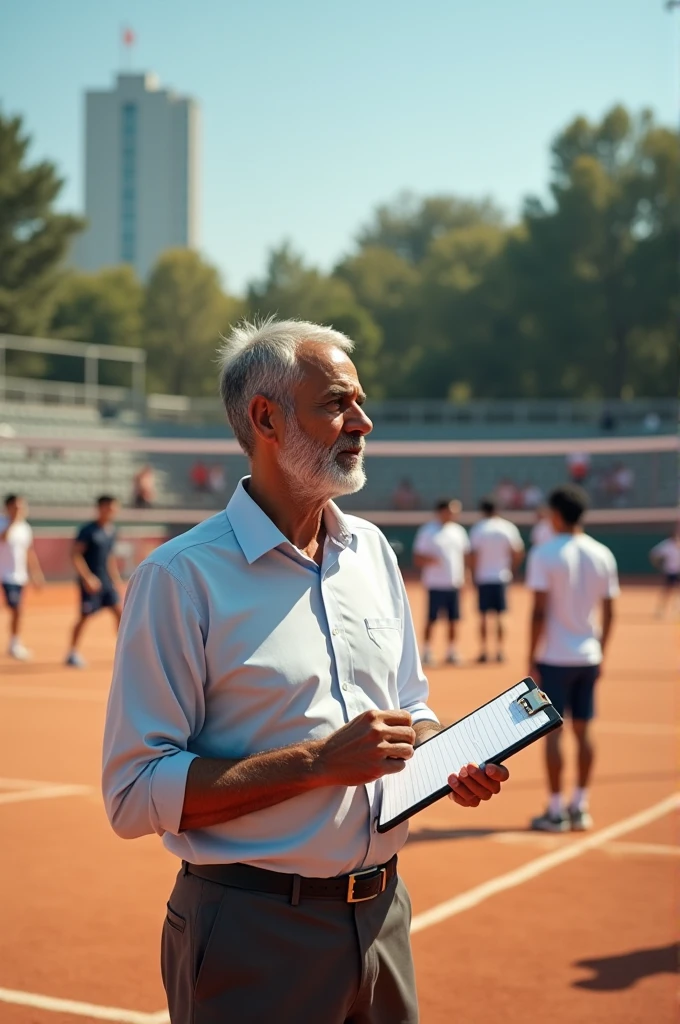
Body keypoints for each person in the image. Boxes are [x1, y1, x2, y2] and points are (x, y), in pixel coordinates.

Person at [102, 318, 509, 1024]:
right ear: (266, 416)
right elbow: (134, 794)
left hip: (383, 916)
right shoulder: (179, 578)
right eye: (337, 404)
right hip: (253, 930)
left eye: (358, 402)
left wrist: (444, 757)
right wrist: (317, 763)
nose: (364, 421)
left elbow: (410, 702)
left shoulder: (372, 551)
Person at [526, 484, 618, 832]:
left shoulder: (545, 554)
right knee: (584, 730)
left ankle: (555, 810)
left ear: (557, 515)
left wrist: (531, 658)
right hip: (588, 656)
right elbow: (611, 612)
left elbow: (538, 612)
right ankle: (580, 805)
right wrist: (601, 651)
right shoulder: (602, 553)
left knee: (552, 734)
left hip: (554, 658)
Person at [66, 495, 123, 668]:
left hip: (106, 581)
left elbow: (109, 558)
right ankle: (72, 652)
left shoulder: (112, 531)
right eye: (109, 507)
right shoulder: (88, 530)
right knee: (84, 616)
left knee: (119, 613)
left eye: (114, 508)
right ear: (100, 508)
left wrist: (116, 580)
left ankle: (124, 650)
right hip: (90, 583)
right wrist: (87, 578)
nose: (112, 511)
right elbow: (75, 554)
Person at [412, 499, 470, 666]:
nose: (454, 514)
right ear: (442, 511)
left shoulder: (459, 531)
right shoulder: (427, 531)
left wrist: (466, 576)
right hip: (435, 583)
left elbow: (464, 556)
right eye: (451, 511)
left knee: (454, 620)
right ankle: (427, 651)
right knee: (432, 619)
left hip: (454, 583)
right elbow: (418, 557)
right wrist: (430, 559)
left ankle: (451, 651)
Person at [469, 499, 525, 663]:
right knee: (501, 615)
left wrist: (473, 574)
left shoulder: (478, 528)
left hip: (483, 577)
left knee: (483, 616)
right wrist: (512, 568)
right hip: (501, 577)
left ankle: (484, 651)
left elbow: (473, 555)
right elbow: (518, 551)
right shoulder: (507, 527)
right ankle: (500, 651)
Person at [0, 495, 45, 660]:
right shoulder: (2, 523)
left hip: (19, 576)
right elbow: (2, 539)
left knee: (18, 610)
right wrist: (12, 522)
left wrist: (36, 573)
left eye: (22, 507)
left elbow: (29, 551)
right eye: (16, 507)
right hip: (4, 574)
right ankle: (14, 643)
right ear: (8, 507)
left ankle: (14, 643)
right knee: (16, 608)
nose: (20, 510)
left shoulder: (25, 527)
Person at [649, 529, 680, 618]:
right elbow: (654, 554)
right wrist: (658, 565)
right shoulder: (666, 545)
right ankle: (661, 610)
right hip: (671, 571)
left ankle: (677, 607)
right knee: (667, 591)